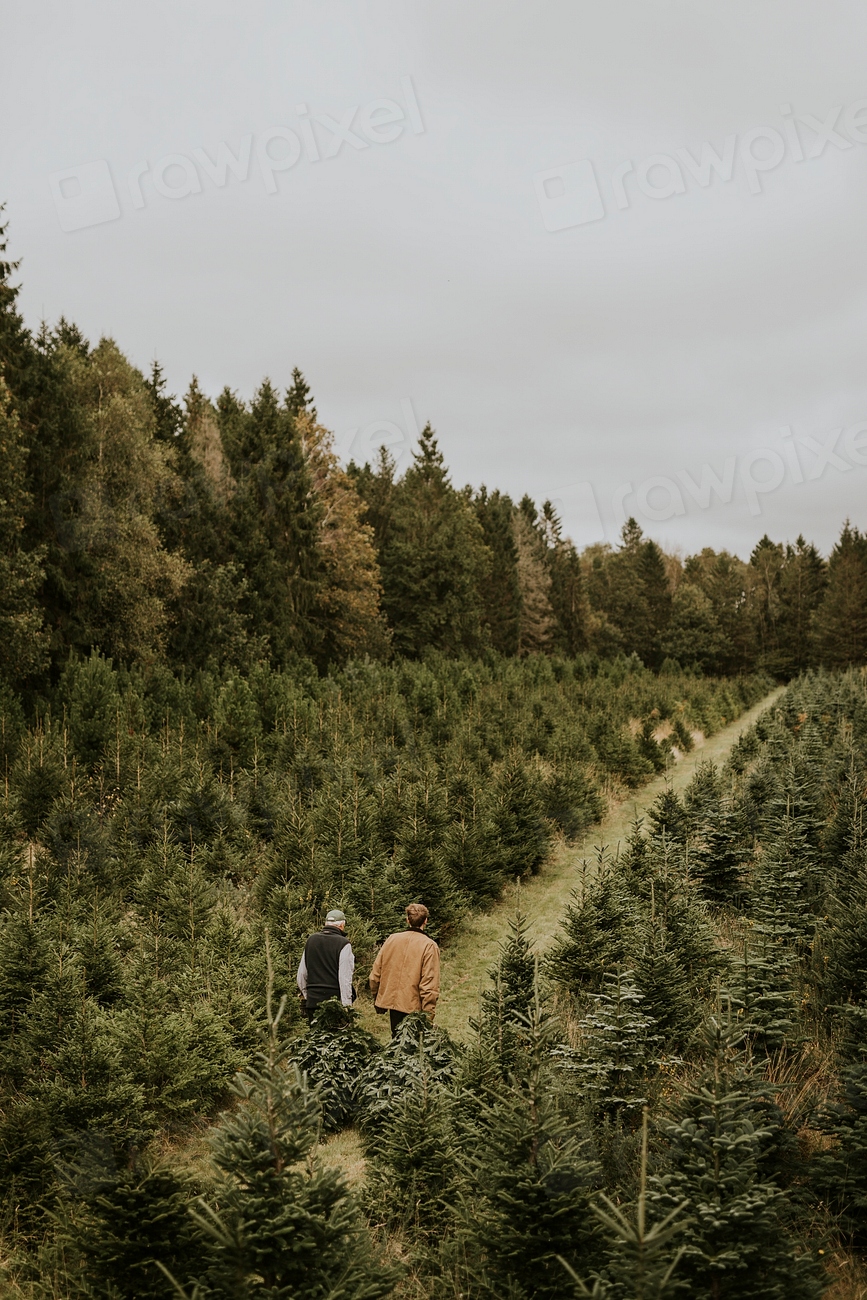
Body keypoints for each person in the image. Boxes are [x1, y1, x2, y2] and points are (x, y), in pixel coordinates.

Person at [369, 902, 440, 1036]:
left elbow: (375, 974)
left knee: (397, 1042)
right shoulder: (429, 946)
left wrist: (377, 999)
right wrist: (428, 1016)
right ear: (426, 921)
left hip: (393, 1005)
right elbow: (429, 984)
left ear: (407, 920)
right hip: (415, 1008)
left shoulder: (392, 939)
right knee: (413, 1048)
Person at [296, 909, 355, 1018]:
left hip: (313, 1002)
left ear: (325, 924)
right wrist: (347, 1006)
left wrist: (308, 996)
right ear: (342, 925)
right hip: (334, 1003)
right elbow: (344, 978)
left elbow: (301, 974)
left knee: (314, 1034)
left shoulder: (311, 940)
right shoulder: (344, 944)